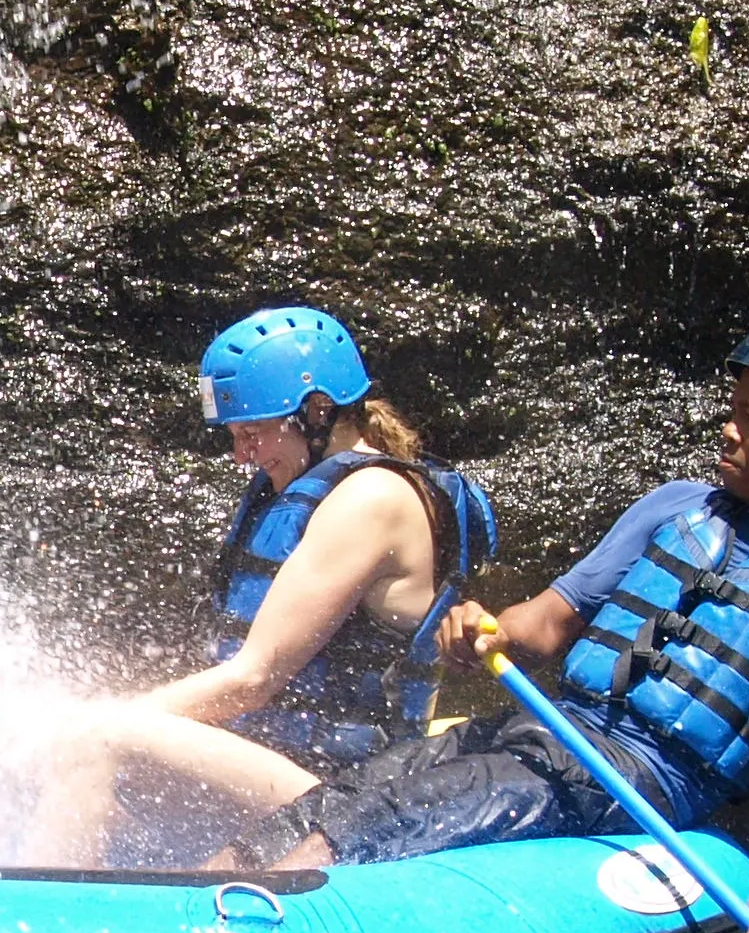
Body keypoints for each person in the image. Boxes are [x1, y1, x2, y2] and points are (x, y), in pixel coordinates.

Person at [229, 319, 749, 933]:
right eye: (731, 408)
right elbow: (549, 622)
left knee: (381, 819)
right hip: (547, 730)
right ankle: (174, 901)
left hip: (638, 777)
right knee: (332, 800)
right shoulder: (677, 508)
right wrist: (483, 628)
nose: (728, 430)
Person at [42, 306, 496, 863]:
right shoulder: (307, 484)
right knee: (71, 765)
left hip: (347, 790)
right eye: (235, 436)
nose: (241, 455)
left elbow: (252, 680)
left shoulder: (372, 498)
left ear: (319, 411)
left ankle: (47, 924)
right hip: (281, 763)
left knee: (97, 743)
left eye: (253, 434)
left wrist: (104, 721)